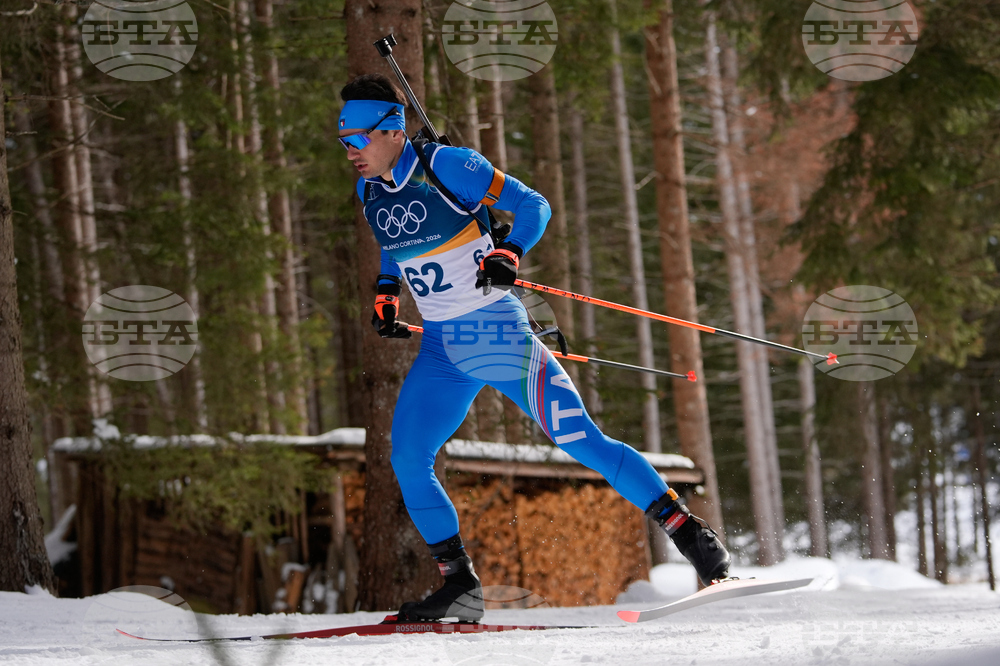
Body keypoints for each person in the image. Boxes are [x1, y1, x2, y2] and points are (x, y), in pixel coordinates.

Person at [339, 74, 730, 622]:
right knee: (406, 455)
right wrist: (385, 291)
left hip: (494, 335)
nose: (350, 152)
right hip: (443, 351)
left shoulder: (449, 166)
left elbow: (534, 206)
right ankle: (459, 584)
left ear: (393, 131)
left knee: (578, 438)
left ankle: (688, 531)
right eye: (343, 143)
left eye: (356, 139)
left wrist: (511, 252)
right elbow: (391, 245)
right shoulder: (369, 190)